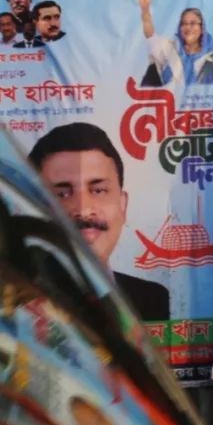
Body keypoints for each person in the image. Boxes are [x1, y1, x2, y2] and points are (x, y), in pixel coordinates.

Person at [28, 122, 170, 321]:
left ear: (123, 205)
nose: (84, 210)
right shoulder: (15, 301)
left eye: (98, 190)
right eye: (62, 194)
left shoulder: (154, 299)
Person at [135, 0, 213, 89]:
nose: (188, 27)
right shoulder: (169, 48)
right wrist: (145, 10)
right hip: (173, 103)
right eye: (184, 24)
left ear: (202, 28)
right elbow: (150, 35)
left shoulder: (212, 59)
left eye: (193, 23)